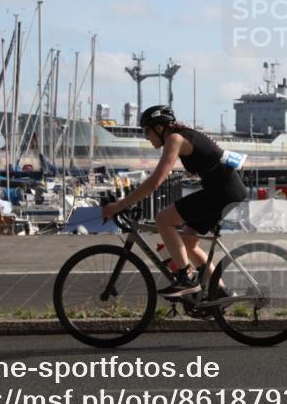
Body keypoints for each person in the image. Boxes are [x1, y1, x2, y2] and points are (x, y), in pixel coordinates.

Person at [101, 105, 247, 297]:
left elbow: (155, 182)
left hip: (222, 191)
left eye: (147, 131)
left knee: (163, 219)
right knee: (188, 243)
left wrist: (119, 205)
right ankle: (220, 292)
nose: (146, 137)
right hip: (226, 190)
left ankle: (186, 278)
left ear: (159, 128)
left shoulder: (174, 139)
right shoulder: (184, 135)